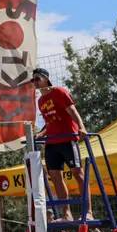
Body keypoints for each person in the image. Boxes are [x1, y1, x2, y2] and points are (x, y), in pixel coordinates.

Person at [32, 68, 91, 222]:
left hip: (67, 139)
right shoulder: (40, 101)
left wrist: (82, 128)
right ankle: (66, 214)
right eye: (33, 80)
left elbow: (72, 111)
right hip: (52, 142)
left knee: (78, 173)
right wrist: (41, 134)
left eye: (37, 79)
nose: (35, 83)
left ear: (46, 79)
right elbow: (49, 122)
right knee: (56, 177)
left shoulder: (59, 92)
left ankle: (89, 212)